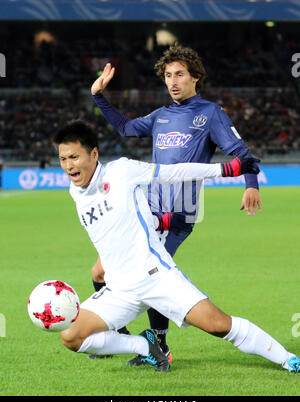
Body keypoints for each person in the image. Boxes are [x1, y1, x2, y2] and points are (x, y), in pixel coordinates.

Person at [54, 120, 300, 374]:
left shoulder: (121, 171)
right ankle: (145, 346)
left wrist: (227, 169)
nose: (68, 165)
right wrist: (161, 221)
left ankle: (288, 359)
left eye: (74, 156)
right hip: (119, 289)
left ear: (93, 154)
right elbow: (122, 219)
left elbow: (173, 172)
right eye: (62, 159)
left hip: (156, 277)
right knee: (71, 336)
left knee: (218, 324)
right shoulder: (75, 191)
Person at [89, 44, 262, 364]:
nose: (173, 81)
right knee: (100, 271)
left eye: (180, 74)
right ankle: (123, 340)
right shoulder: (161, 116)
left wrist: (250, 186)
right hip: (147, 210)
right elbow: (126, 128)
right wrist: (99, 97)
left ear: (195, 77)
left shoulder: (211, 113)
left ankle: (159, 349)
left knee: (154, 276)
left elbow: (242, 153)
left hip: (177, 214)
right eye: (168, 75)